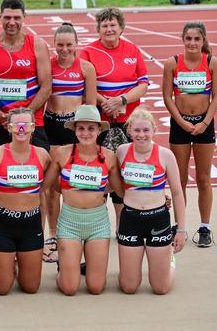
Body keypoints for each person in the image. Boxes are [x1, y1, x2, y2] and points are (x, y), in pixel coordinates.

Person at [44, 105, 123, 295]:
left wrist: (159, 196)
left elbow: (120, 190)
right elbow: (47, 184)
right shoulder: (62, 153)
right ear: (74, 130)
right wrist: (68, 190)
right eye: (81, 128)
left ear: (98, 130)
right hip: (70, 221)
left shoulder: (109, 156)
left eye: (90, 128)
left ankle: (74, 264)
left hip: (98, 223)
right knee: (69, 288)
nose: (85, 133)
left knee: (95, 287)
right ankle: (65, 270)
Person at [79, 7, 148, 224]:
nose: (109, 29)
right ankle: (97, 223)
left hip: (129, 123)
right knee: (98, 171)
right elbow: (84, 85)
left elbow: (143, 84)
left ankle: (121, 224)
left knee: (125, 171)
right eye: (104, 25)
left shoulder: (133, 50)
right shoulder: (88, 52)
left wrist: (123, 100)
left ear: (121, 27)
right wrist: (107, 103)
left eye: (112, 25)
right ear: (98, 29)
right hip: (100, 123)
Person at [0, 107, 51, 295]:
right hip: (2, 225)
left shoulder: (42, 155)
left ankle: (16, 262)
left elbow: (45, 192)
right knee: (2, 289)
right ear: (9, 128)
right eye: (16, 125)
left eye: (25, 125)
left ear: (33, 128)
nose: (21, 129)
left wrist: (43, 227)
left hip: (30, 225)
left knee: (31, 288)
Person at [162, 21, 217, 248]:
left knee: (204, 179)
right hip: (180, 125)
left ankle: (205, 227)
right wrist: (182, 122)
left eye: (197, 39)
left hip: (205, 126)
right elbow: (168, 97)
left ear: (203, 40)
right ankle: (180, 227)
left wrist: (205, 122)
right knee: (180, 179)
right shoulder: (173, 63)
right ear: (183, 40)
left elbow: (216, 96)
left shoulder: (212, 63)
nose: (192, 43)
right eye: (188, 38)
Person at [116, 108, 186, 294]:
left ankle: (169, 261)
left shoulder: (165, 155)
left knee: (160, 288)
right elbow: (112, 184)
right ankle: (127, 272)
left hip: (158, 220)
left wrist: (181, 230)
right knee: (129, 287)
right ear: (129, 130)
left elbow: (178, 193)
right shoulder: (121, 152)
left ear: (154, 130)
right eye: (137, 130)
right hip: (130, 219)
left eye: (146, 130)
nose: (141, 135)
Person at [42, 22, 97, 263]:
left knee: (74, 186)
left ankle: (76, 233)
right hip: (52, 126)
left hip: (75, 130)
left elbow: (91, 105)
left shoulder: (86, 68)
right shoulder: (48, 66)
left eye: (69, 45)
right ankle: (52, 235)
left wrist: (87, 136)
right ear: (54, 45)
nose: (64, 49)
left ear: (76, 45)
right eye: (60, 45)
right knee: (52, 186)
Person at [0, 0, 52, 153]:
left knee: (37, 171)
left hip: (33, 122)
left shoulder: (38, 45)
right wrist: (0, 116)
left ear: (24, 17)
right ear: (0, 16)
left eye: (17, 17)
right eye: (7, 17)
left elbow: (46, 87)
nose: (12, 22)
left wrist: (25, 116)